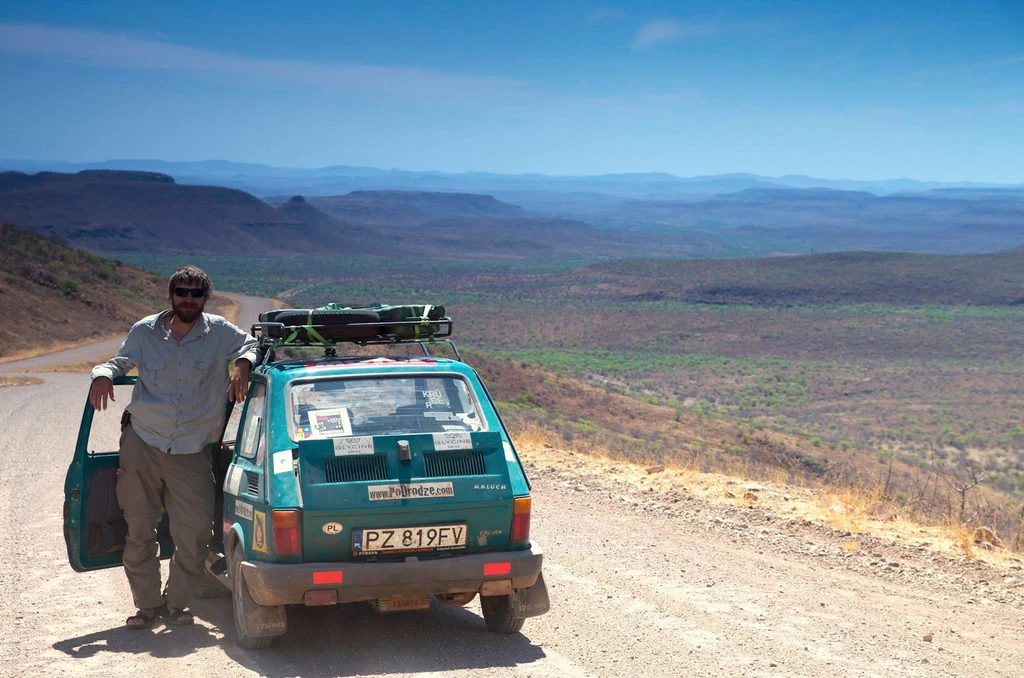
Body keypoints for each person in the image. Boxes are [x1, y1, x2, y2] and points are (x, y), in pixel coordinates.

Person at [89, 265, 257, 630]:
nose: (189, 299)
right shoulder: (145, 330)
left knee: (195, 533)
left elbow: (254, 344)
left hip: (192, 447)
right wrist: (102, 374)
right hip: (144, 440)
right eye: (182, 292)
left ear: (205, 298)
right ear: (171, 295)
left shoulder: (219, 331)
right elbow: (118, 361)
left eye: (197, 294)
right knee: (139, 527)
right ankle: (147, 606)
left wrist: (243, 364)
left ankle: (179, 604)